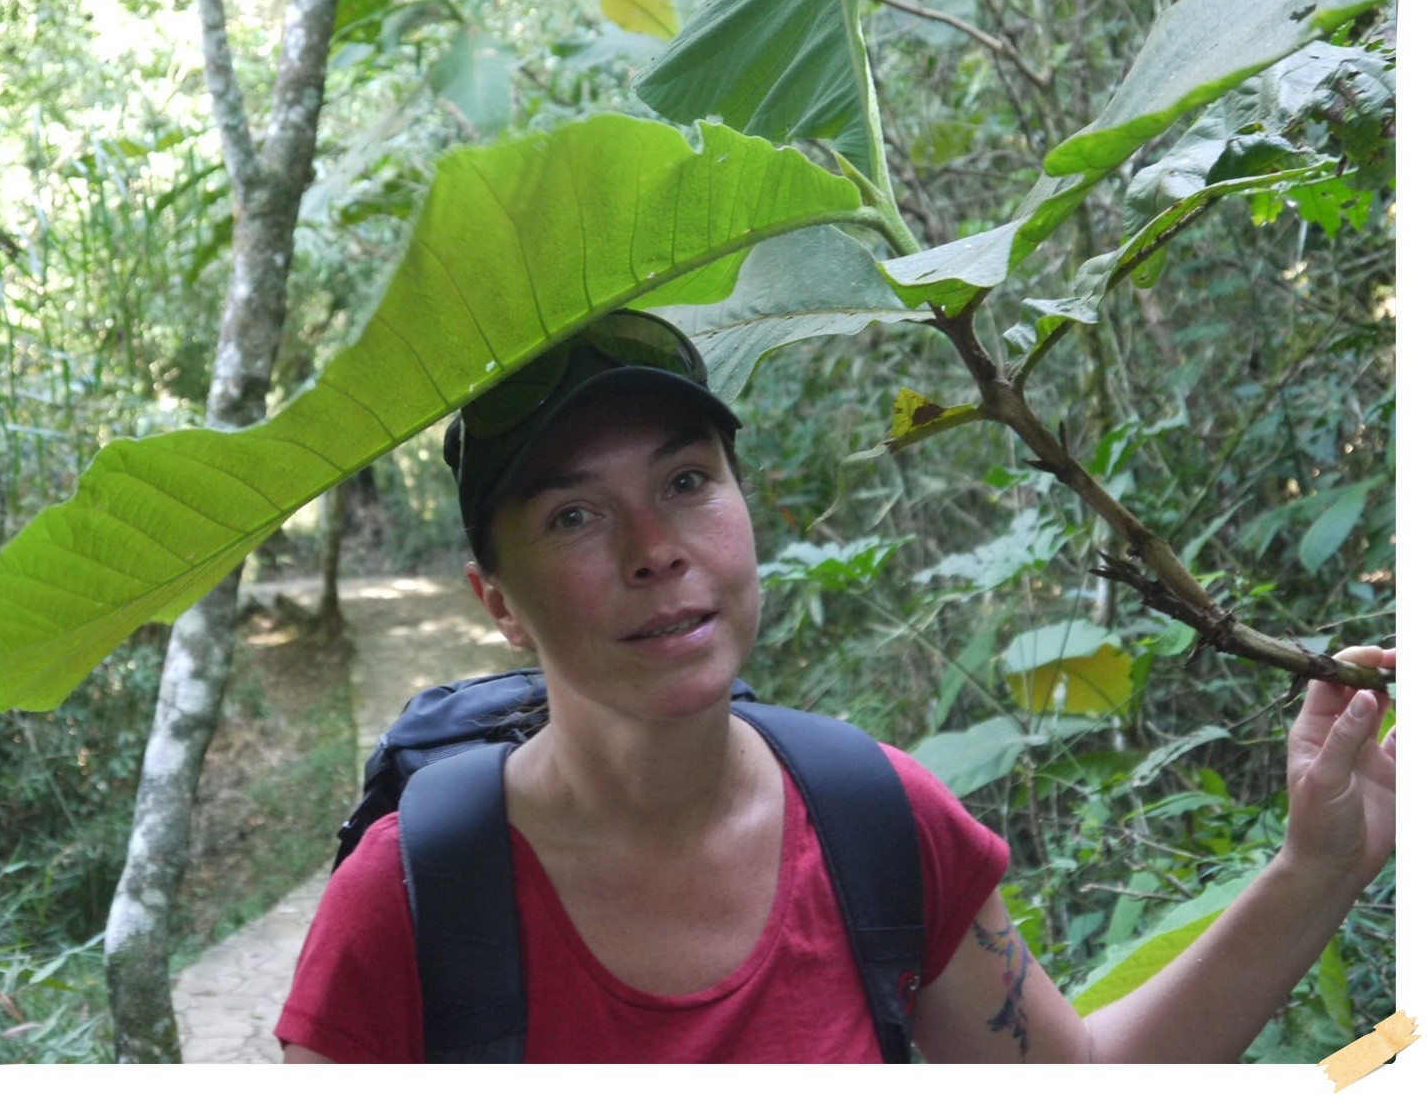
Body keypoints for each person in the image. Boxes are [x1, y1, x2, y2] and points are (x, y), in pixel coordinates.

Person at [276, 309, 1396, 1063]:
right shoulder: (413, 906)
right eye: (575, 514)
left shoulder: (874, 821)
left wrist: (1317, 866)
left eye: (685, 480)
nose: (653, 546)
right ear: (498, 599)